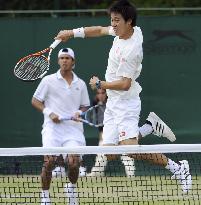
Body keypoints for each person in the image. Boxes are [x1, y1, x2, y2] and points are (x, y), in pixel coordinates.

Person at [55, 0, 192, 193]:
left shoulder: (131, 50)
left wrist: (100, 84)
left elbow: (126, 84)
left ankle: (178, 168)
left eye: (117, 20)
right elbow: (100, 30)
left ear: (129, 22)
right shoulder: (123, 30)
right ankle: (149, 126)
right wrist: (72, 33)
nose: (113, 24)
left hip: (126, 101)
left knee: (130, 149)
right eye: (112, 20)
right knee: (109, 153)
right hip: (113, 102)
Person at [31, 47, 90, 205]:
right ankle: (45, 195)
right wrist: (49, 113)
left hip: (73, 130)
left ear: (73, 62)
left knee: (73, 163)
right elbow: (35, 101)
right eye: (62, 58)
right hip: (52, 129)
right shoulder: (48, 81)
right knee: (49, 161)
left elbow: (85, 106)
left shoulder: (81, 84)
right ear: (58, 61)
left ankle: (71, 188)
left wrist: (79, 112)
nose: (64, 60)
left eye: (68, 58)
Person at [88, 88, 136, 177]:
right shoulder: (95, 104)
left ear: (107, 94)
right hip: (107, 134)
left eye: (103, 93)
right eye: (99, 93)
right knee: (101, 153)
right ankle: (96, 173)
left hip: (121, 132)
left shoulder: (114, 103)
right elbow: (100, 123)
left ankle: (131, 175)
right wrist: (102, 135)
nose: (101, 95)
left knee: (127, 154)